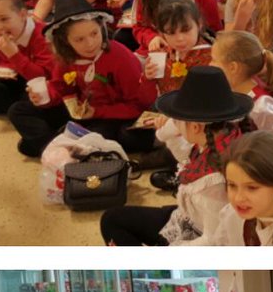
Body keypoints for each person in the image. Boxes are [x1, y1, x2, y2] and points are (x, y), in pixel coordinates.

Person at [98, 66, 254, 246]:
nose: (173, 121)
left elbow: (214, 242)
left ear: (196, 127)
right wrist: (165, 132)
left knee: (113, 223)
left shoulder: (214, 183)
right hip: (189, 216)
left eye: (177, 119)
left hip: (198, 236)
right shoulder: (223, 136)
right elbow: (186, 159)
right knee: (112, 219)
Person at [7, 0, 150, 158]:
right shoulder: (66, 58)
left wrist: (97, 112)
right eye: (79, 39)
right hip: (79, 111)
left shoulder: (120, 58)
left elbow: (137, 107)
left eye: (94, 34)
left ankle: (52, 143)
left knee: (99, 137)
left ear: (101, 28)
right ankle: (54, 144)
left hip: (109, 115)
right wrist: (45, 95)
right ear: (65, 40)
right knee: (18, 110)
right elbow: (61, 89)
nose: (89, 44)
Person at [0, 0, 56, 116]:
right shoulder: (5, 34)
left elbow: (43, 77)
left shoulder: (42, 36)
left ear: (22, 15)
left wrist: (14, 55)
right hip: (20, 75)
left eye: (4, 19)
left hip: (44, 82)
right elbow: (3, 63)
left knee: (27, 103)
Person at [210, 30, 273, 150]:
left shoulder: (261, 106)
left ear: (233, 67)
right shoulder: (230, 93)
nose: (210, 64)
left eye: (214, 60)